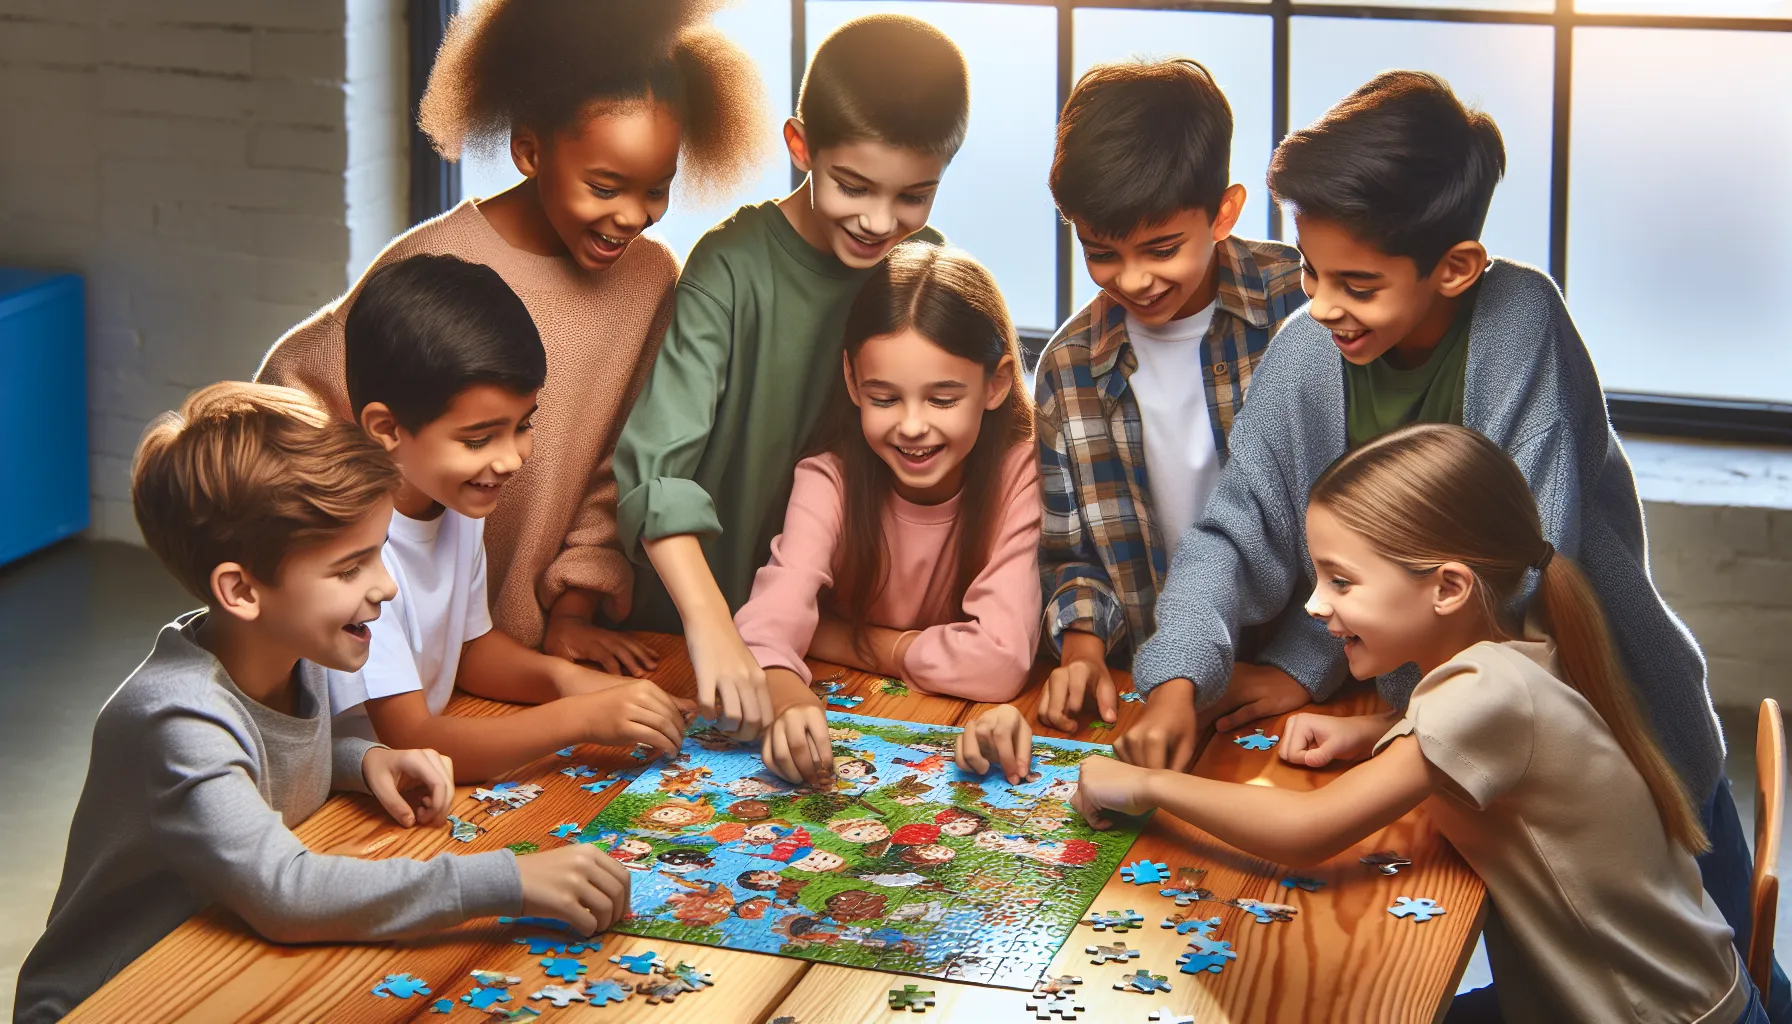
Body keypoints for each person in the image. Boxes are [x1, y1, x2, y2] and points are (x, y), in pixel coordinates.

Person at [1121, 71, 1785, 1012]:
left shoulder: (1522, 323)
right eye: (1310, 273)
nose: (1323, 304)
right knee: (1565, 965)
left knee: (1706, 964)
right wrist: (1181, 673)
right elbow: (1244, 529)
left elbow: (1511, 577)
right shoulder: (1313, 347)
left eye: (1358, 283)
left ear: (1457, 266)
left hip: (1616, 708)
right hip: (1477, 731)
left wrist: (1389, 730)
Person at [1066, 424, 1769, 1024]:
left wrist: (1148, 785)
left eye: (1341, 581)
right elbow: (1509, 743)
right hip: (1663, 993)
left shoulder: (1480, 697)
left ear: (1449, 588)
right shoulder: (1522, 650)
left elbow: (1306, 834)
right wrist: (1376, 733)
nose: (1316, 605)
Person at [13, 384, 628, 1024]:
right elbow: (286, 891)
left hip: (225, 965)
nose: (386, 586)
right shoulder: (178, 721)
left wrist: (360, 760)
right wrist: (508, 881)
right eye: (350, 568)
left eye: (380, 554)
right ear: (241, 590)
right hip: (111, 1004)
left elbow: (257, 752)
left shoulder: (287, 648)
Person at [257, 0, 766, 674]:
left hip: (512, 652)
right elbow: (294, 386)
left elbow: (617, 465)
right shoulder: (431, 262)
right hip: (384, 643)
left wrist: (573, 610)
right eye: (605, 186)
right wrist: (351, 554)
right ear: (529, 150)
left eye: (656, 189)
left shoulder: (650, 280)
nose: (631, 216)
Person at [612, 14, 969, 739]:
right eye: (854, 185)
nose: (879, 221)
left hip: (834, 641)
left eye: (912, 196)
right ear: (801, 146)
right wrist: (712, 625)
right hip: (690, 626)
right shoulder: (732, 266)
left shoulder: (921, 267)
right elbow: (653, 468)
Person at [1025, 58, 1307, 735]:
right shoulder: (1069, 368)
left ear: (1224, 212)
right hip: (1152, 684)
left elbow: (1368, 503)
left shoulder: (1303, 304)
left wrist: (1304, 666)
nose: (1134, 279)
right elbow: (1073, 555)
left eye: (1161, 248)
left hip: (1305, 674)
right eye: (1101, 252)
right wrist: (1084, 652)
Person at [330, 254, 690, 781]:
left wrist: (572, 682)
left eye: (524, 425)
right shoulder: (349, 551)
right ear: (387, 429)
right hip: (352, 798)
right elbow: (410, 739)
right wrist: (577, 718)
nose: (511, 458)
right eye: (478, 439)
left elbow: (470, 650)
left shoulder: (455, 499)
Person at [735, 244, 1039, 786]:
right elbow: (762, 630)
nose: (912, 426)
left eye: (942, 399)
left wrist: (845, 639)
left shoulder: (1023, 473)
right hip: (872, 722)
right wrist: (784, 692)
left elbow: (999, 661)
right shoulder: (829, 476)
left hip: (956, 733)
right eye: (884, 398)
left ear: (995, 385)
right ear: (853, 382)